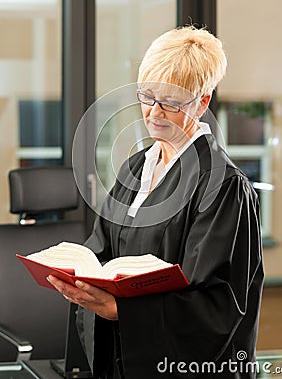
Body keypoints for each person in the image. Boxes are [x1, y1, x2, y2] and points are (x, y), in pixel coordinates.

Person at [48, 26, 264, 378]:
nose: (154, 113)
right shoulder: (136, 167)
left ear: (203, 101)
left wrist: (122, 311)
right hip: (123, 362)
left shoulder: (223, 186)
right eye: (147, 97)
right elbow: (101, 248)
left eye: (172, 103)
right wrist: (80, 281)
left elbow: (220, 307)